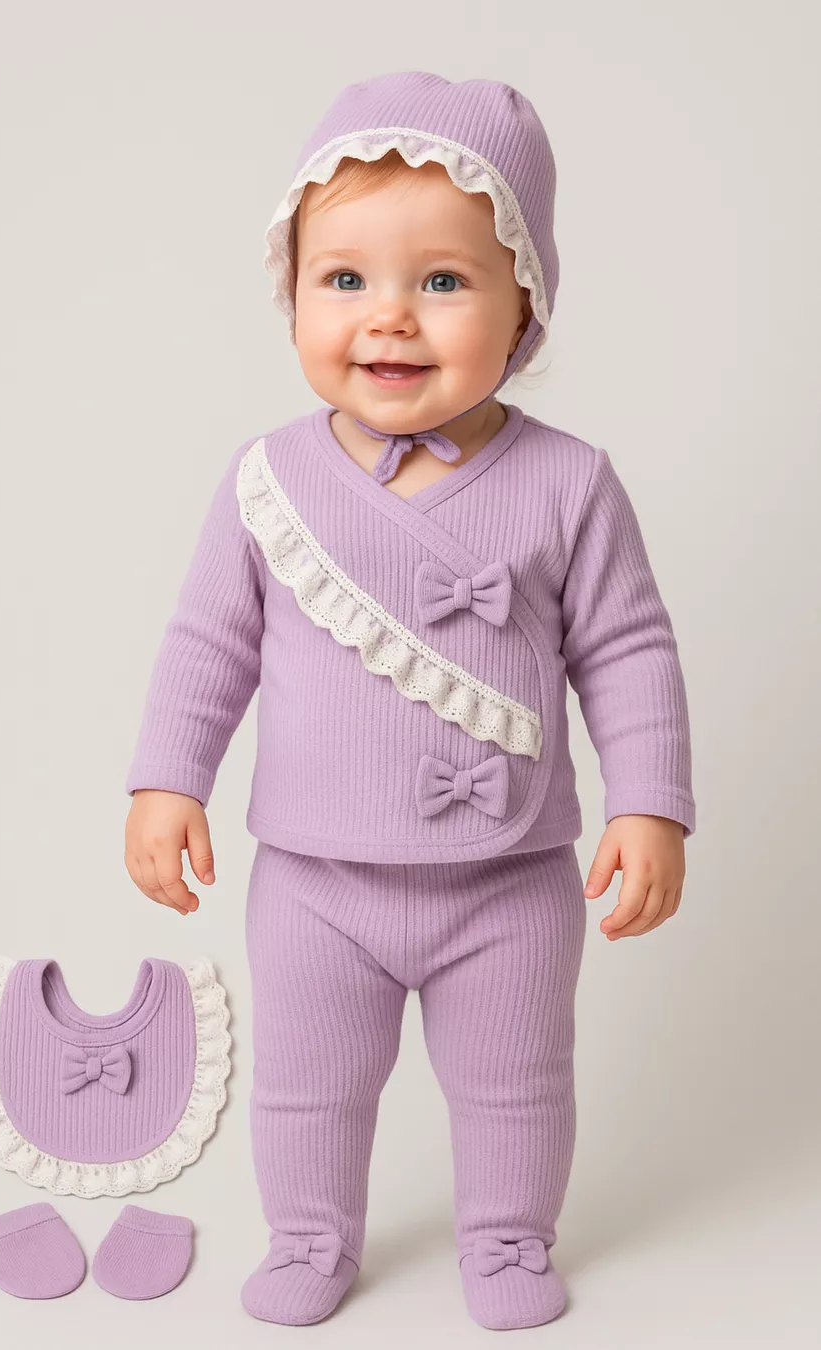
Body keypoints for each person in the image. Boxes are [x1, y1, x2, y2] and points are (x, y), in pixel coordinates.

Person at [123, 71, 696, 1331]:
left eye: (442, 280)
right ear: (291, 294)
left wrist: (650, 801)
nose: (389, 316)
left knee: (516, 1083)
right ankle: (310, 1237)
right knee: (308, 1086)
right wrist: (168, 779)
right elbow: (207, 643)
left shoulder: (570, 484)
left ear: (524, 303)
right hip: (316, 879)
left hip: (510, 877)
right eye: (343, 279)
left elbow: (630, 649)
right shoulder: (267, 481)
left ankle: (507, 1240)